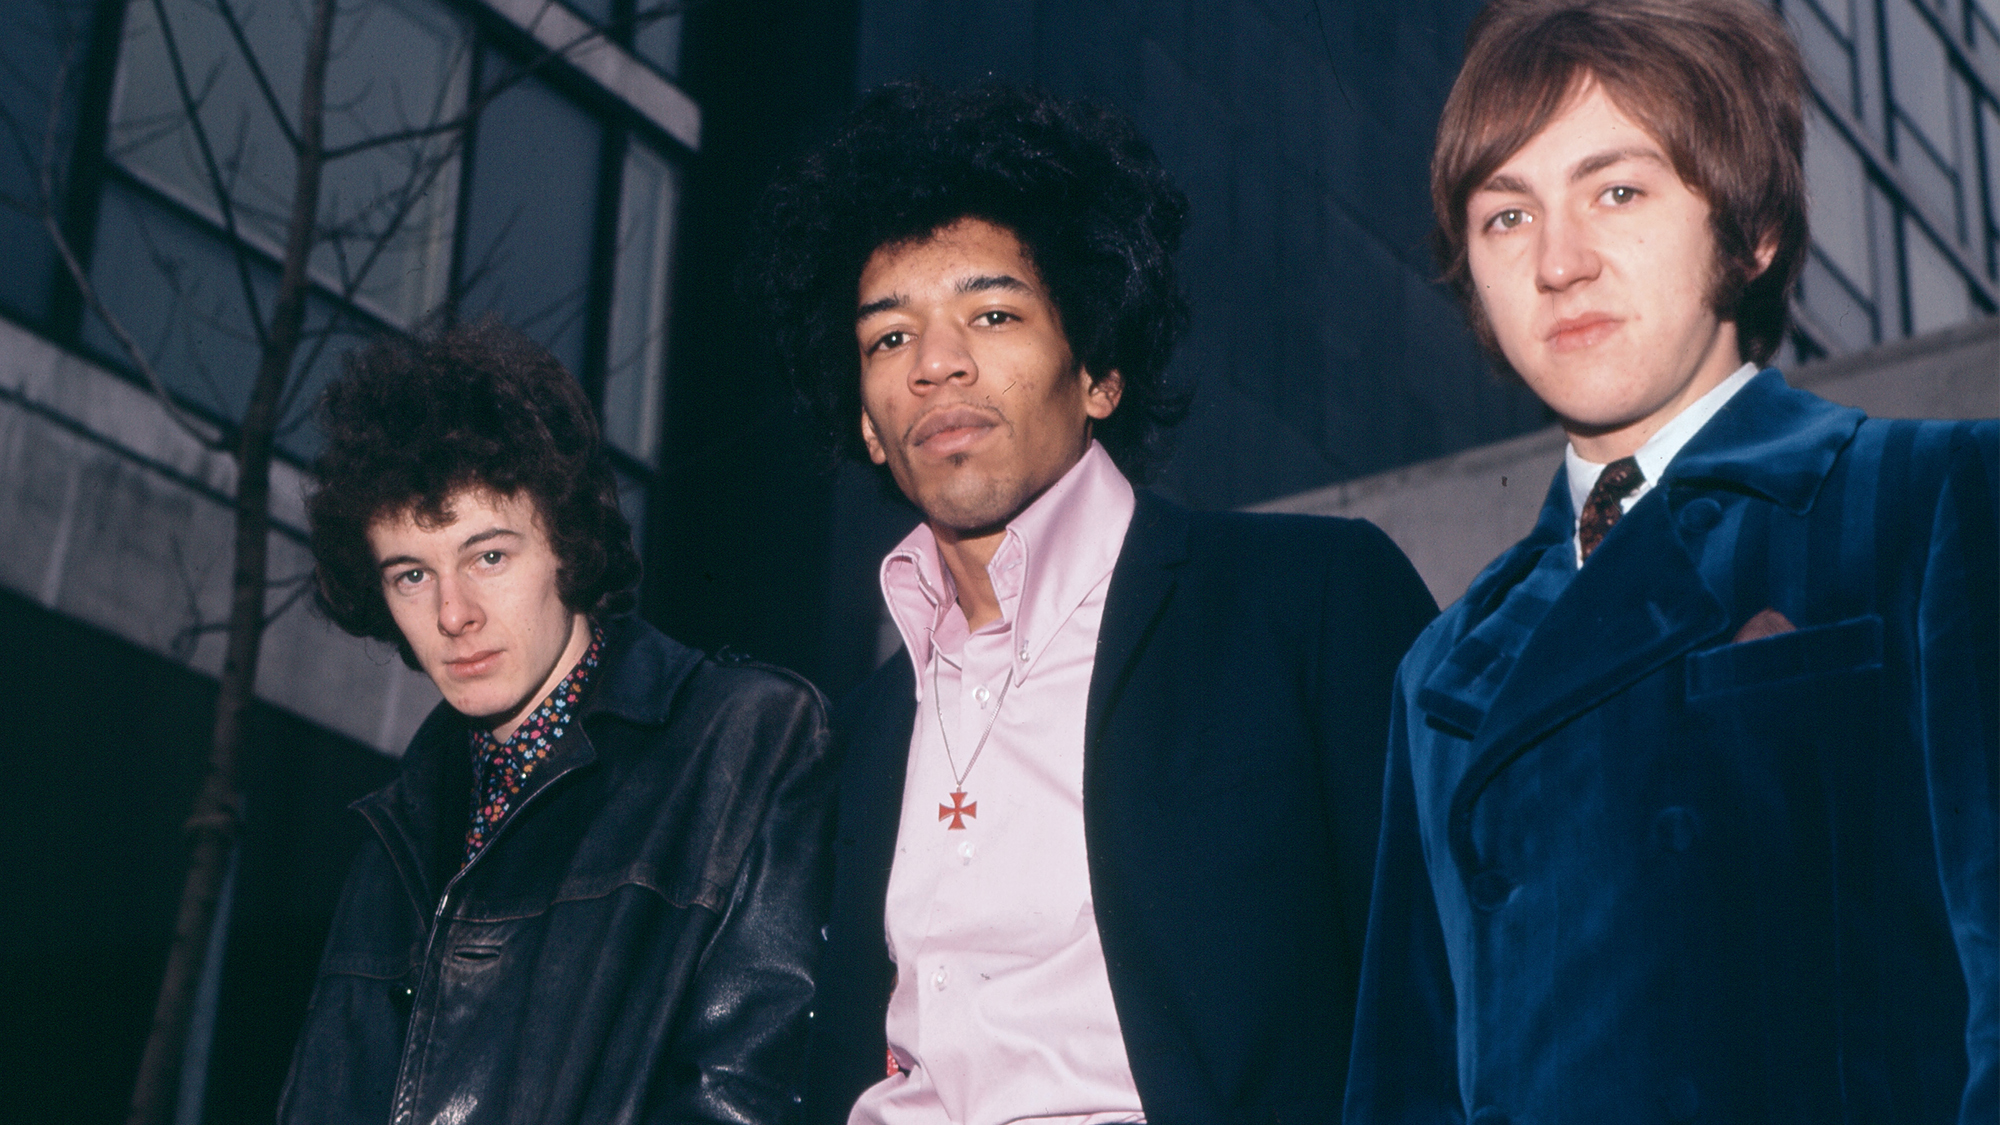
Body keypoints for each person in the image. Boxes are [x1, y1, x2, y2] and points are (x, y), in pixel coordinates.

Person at [1345, 1, 1998, 1122]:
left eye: (1616, 191)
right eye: (1505, 216)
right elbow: (1406, 1081)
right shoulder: (1445, 667)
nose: (1557, 261)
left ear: (1745, 231)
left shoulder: (1928, 500)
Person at [750, 81, 1438, 1125]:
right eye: (888, 338)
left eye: (992, 313)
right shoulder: (851, 737)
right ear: (867, 423)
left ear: (1099, 372)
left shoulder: (1307, 604)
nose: (936, 365)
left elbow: (1442, 997)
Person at [279, 321, 833, 1124]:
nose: (453, 613)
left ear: (567, 542)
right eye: (411, 574)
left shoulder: (744, 740)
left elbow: (751, 1089)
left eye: (489, 556)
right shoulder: (398, 833)